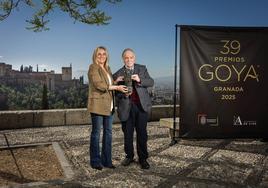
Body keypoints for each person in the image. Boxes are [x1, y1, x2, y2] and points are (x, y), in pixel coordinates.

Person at [87, 46, 128, 170]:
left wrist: (116, 81)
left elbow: (108, 85)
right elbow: (99, 85)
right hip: (98, 106)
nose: (101, 56)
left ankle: (107, 161)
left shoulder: (107, 68)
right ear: (95, 55)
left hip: (109, 106)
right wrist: (116, 87)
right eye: (99, 54)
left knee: (108, 134)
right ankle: (95, 161)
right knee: (96, 134)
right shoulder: (93, 67)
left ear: (107, 56)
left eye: (104, 54)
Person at [113, 48, 154, 169]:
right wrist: (119, 88)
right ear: (123, 59)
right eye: (126, 57)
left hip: (141, 107)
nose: (129, 60)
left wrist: (139, 80)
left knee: (142, 134)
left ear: (134, 58)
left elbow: (151, 82)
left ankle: (143, 158)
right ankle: (129, 156)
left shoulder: (142, 68)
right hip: (126, 107)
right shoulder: (118, 74)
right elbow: (115, 93)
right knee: (128, 134)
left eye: (131, 57)